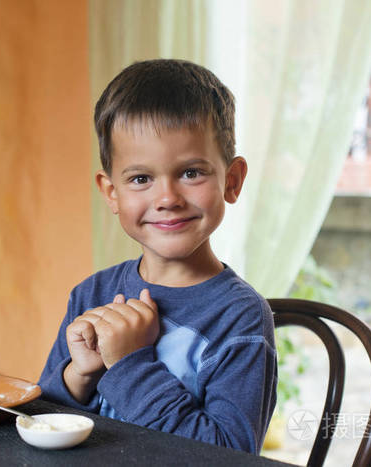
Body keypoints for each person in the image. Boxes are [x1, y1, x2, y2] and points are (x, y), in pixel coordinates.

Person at [38, 59, 277, 454]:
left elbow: (229, 455)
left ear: (231, 181)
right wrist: (79, 373)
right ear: (111, 192)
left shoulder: (241, 316)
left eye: (191, 173)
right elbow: (43, 421)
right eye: (140, 179)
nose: (167, 199)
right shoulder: (92, 293)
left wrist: (129, 363)